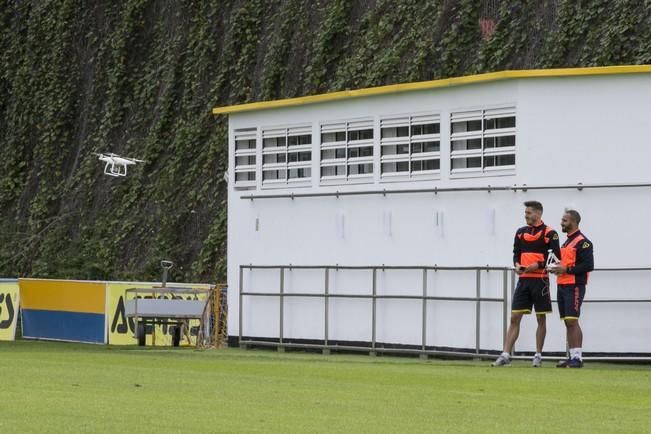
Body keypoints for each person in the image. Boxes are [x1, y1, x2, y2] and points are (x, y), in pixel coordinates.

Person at [493, 201, 561, 367]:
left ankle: (538, 355)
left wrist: (536, 265)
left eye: (529, 213)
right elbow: (516, 253)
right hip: (523, 281)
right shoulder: (520, 232)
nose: (526, 216)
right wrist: (517, 265)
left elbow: (556, 258)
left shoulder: (550, 233)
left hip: (540, 281)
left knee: (541, 318)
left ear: (538, 214)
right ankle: (506, 354)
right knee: (515, 317)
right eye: (525, 213)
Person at [549, 209, 594, 368]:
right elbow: (565, 264)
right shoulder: (566, 242)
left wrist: (566, 270)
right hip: (562, 285)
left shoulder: (583, 242)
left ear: (574, 222)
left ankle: (578, 358)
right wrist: (555, 268)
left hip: (574, 286)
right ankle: (572, 356)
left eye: (564, 220)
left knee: (572, 321)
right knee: (567, 322)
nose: (561, 223)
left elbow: (588, 266)